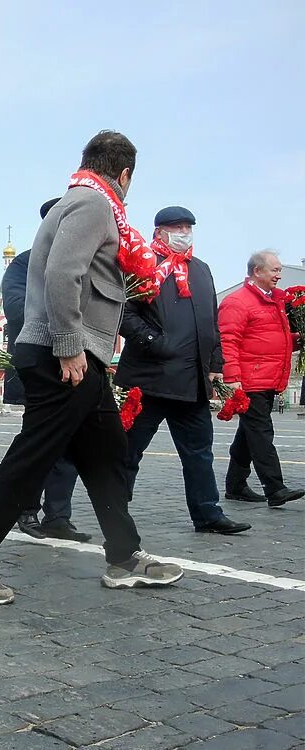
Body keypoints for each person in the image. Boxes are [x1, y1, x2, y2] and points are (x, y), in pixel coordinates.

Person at [0, 131, 183, 604]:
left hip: (76, 352)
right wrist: (70, 345)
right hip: (61, 351)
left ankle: (124, 556)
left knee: (107, 452)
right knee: (36, 453)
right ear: (125, 173)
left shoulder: (84, 200)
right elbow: (61, 273)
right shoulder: (93, 204)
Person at [115, 206, 250, 534]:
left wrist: (216, 365)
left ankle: (208, 514)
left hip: (193, 383)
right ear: (159, 231)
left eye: (188, 227)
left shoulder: (201, 270)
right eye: (176, 227)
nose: (183, 233)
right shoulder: (142, 265)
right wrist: (153, 340)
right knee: (128, 450)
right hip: (149, 380)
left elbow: (211, 323)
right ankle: (115, 511)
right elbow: (122, 311)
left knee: (199, 454)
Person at [4, 198, 90, 543]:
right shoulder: (24, 263)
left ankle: (59, 515)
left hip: (80, 364)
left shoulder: (86, 261)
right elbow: (17, 310)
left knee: (69, 443)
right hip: (43, 362)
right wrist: (64, 332)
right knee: (39, 441)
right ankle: (25, 509)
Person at [218, 251, 304, 507]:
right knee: (261, 432)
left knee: (248, 434)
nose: (279, 275)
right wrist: (233, 379)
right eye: (274, 270)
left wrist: (297, 340)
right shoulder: (238, 302)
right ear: (257, 271)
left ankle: (236, 485)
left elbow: (270, 339)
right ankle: (274, 488)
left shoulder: (273, 301)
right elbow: (228, 341)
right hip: (250, 380)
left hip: (267, 378)